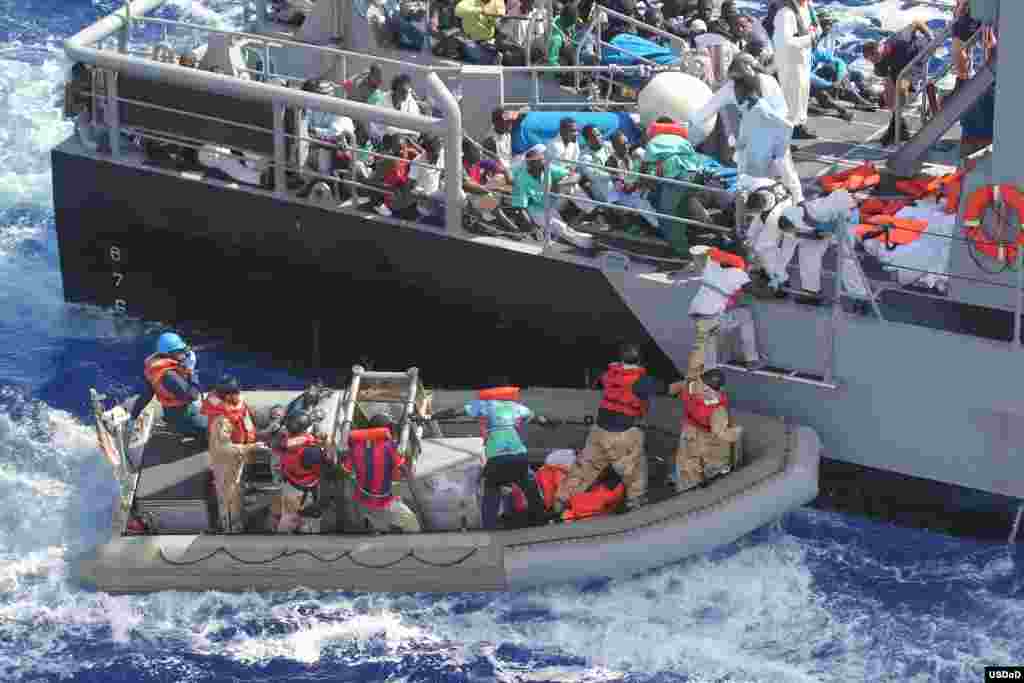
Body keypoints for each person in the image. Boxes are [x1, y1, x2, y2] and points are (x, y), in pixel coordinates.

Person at [430, 381, 555, 528]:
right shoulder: (515, 407)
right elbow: (541, 419)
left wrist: (433, 416)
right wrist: (552, 423)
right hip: (519, 456)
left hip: (497, 458)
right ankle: (542, 521)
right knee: (529, 484)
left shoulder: (484, 405)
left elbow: (455, 412)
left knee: (491, 488)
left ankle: (489, 528)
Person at [556, 343, 661, 513]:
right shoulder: (643, 380)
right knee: (634, 469)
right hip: (623, 433)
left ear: (621, 358)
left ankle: (561, 501)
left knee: (584, 468)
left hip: (598, 431)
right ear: (640, 360)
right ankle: (636, 503)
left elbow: (604, 380)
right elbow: (665, 390)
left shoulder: (609, 375)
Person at [689, 52, 804, 203]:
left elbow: (706, 111)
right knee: (773, 171)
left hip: (762, 133)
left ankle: (792, 202)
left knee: (772, 171)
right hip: (761, 133)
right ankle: (783, 202)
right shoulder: (748, 84)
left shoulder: (739, 86)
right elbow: (707, 110)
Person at [668, 331, 742, 492]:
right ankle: (711, 480)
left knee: (687, 461)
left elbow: (675, 388)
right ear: (719, 388)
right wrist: (735, 432)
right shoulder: (718, 408)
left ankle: (684, 487)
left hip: (688, 430)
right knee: (715, 461)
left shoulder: (690, 388)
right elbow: (720, 432)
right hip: (708, 434)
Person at [200, 375, 267, 533]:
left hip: (242, 449)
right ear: (226, 395)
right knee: (228, 497)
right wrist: (250, 447)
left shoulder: (236, 402)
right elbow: (223, 448)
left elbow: (246, 415)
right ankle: (230, 529)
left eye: (238, 391)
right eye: (234, 392)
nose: (238, 395)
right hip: (227, 460)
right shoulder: (220, 419)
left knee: (238, 487)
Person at [340, 414, 421, 533]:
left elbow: (344, 472)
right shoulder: (389, 446)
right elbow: (404, 469)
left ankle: (376, 525)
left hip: (361, 504)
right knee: (414, 527)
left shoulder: (355, 447)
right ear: (386, 429)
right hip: (385, 502)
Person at [861, 20, 937, 146]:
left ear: (879, 49)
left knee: (901, 91)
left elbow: (917, 23)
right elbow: (884, 74)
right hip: (900, 68)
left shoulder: (898, 40)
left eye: (875, 56)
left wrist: (930, 37)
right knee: (889, 99)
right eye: (871, 60)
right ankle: (900, 127)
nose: (875, 60)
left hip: (915, 60)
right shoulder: (879, 63)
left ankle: (894, 128)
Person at [687, 245, 762, 370]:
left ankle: (708, 378)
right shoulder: (738, 273)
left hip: (697, 317)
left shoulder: (711, 266)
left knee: (709, 357)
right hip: (714, 318)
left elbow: (703, 252)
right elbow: (757, 292)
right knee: (745, 315)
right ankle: (752, 359)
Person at [509, 144, 594, 249]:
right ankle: (586, 243)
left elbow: (576, 175)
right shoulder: (521, 179)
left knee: (572, 186)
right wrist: (533, 228)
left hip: (551, 201)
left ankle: (592, 211)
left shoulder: (547, 167)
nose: (545, 162)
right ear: (531, 164)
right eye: (541, 160)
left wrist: (562, 183)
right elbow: (520, 208)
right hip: (537, 210)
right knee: (559, 226)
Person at [133, 332, 208, 440]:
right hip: (183, 416)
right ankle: (184, 429)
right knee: (215, 431)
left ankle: (181, 426)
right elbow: (193, 395)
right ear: (170, 354)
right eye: (180, 351)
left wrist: (133, 415)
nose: (184, 354)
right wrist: (191, 370)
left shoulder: (156, 368)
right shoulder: (169, 375)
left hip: (172, 412)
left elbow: (147, 394)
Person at [274, 410, 329, 533]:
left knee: (287, 520)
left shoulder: (285, 443)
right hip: (306, 493)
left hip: (289, 486)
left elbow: (280, 445)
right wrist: (325, 445)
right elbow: (329, 464)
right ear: (306, 427)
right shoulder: (311, 450)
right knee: (308, 525)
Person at [773, 0, 816, 140]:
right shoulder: (785, 13)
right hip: (790, 64)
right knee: (791, 99)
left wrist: (814, 34)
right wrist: (809, 38)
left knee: (802, 96)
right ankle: (785, 138)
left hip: (803, 60)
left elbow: (813, 28)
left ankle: (798, 127)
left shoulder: (807, 8)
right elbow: (787, 42)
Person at [373, 73, 423, 139]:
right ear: (395, 90)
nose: (405, 94)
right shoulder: (382, 102)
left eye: (407, 91)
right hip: (389, 140)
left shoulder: (411, 102)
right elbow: (378, 128)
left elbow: (416, 127)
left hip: (409, 139)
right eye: (402, 91)